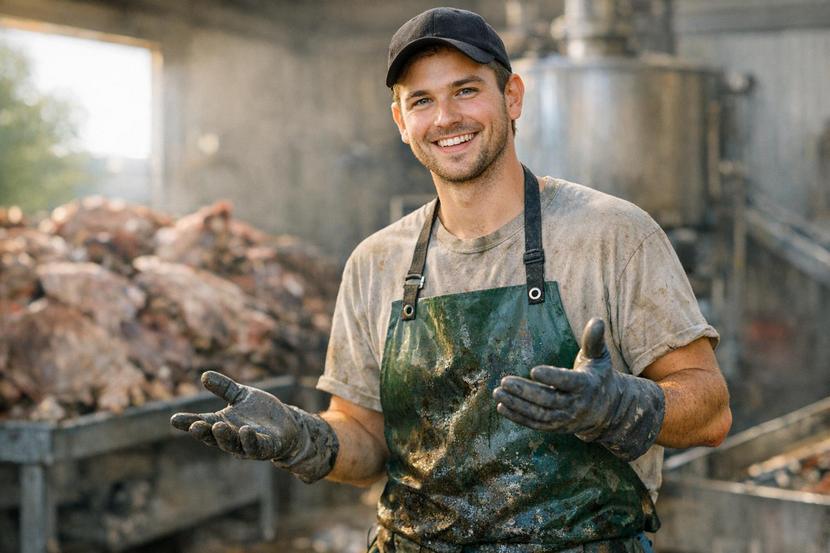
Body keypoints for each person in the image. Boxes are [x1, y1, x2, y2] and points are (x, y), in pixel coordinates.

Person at [171, 7, 732, 552]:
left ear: (512, 96)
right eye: (421, 100)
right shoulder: (375, 263)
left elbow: (711, 411)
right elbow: (365, 439)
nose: (445, 118)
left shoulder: (613, 234)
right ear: (401, 121)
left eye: (466, 90)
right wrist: (303, 438)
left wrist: (620, 406)